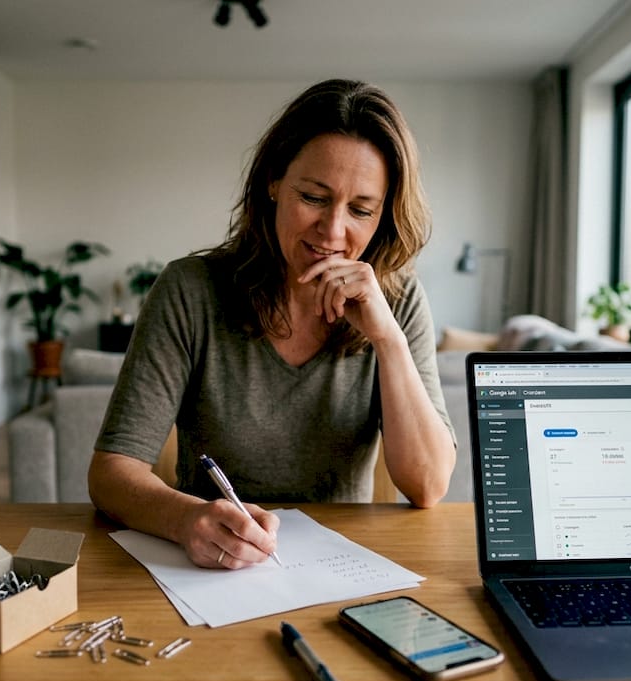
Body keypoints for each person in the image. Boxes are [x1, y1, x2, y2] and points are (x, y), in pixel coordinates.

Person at [87, 78, 455, 570]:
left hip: (343, 570)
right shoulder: (190, 290)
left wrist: (387, 339)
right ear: (274, 182)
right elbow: (111, 473)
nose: (333, 231)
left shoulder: (399, 298)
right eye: (314, 197)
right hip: (210, 570)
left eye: (361, 210)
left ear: (383, 215)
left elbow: (428, 486)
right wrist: (185, 519)